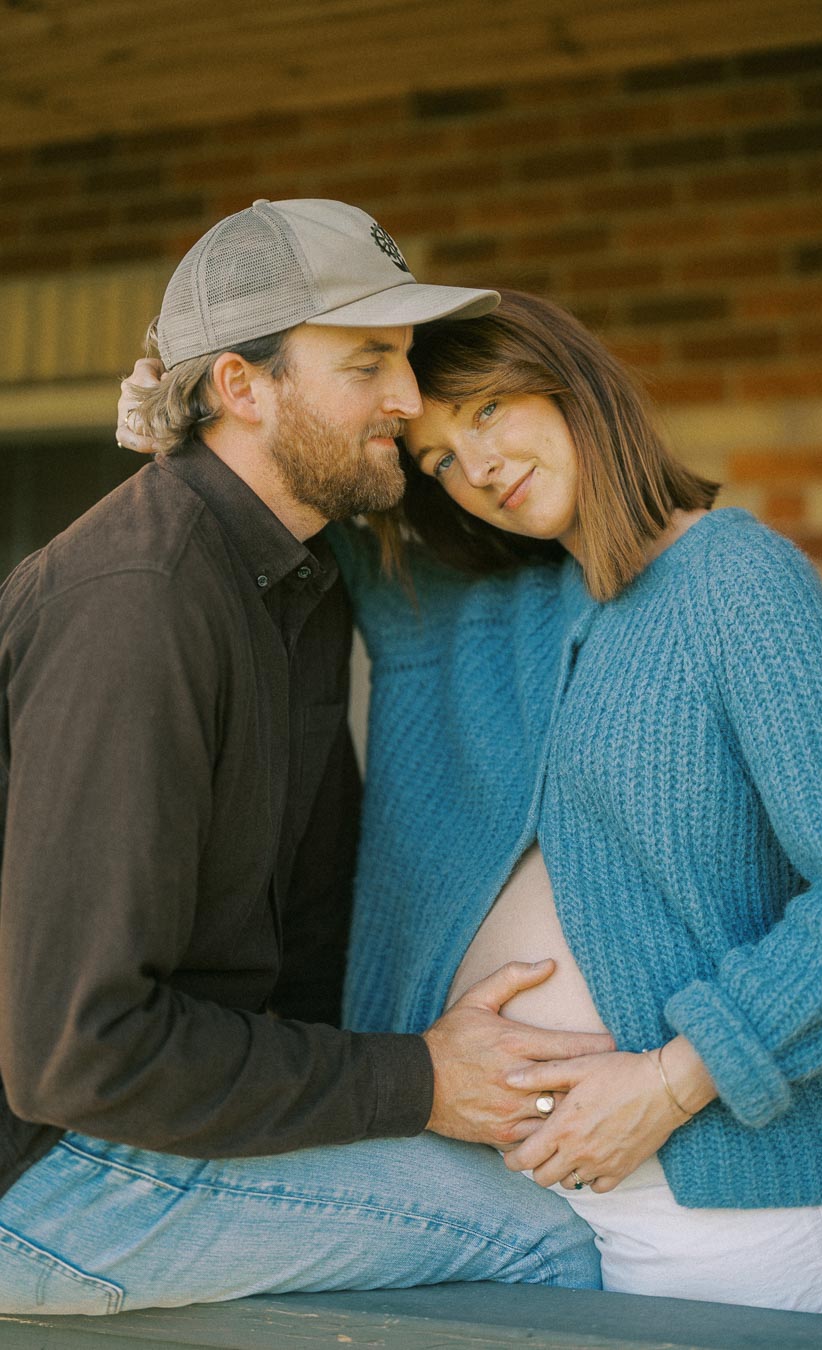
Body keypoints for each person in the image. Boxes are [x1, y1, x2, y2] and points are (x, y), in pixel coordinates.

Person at [0, 205, 618, 1317]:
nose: (410, 399)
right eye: (368, 364)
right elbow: (77, 1053)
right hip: (40, 1164)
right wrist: (420, 1081)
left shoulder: (297, 572)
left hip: (151, 1121)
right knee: (546, 1244)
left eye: (406, 360)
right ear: (244, 387)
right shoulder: (138, 609)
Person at [325, 289, 822, 1319]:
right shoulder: (493, 615)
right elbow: (304, 505)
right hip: (529, 1204)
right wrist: (200, 407)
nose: (478, 468)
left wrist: (669, 1084)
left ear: (569, 382)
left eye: (489, 411)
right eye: (440, 460)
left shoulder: (736, 577)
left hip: (738, 1199)